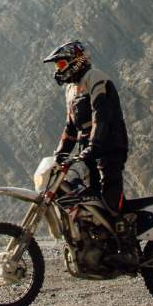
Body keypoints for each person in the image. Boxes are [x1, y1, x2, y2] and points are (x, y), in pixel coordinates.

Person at [44, 40, 129, 213]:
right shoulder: (70, 90)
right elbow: (71, 128)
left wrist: (94, 145)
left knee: (108, 199)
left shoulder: (95, 77)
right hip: (89, 150)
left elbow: (101, 115)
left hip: (109, 147)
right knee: (88, 198)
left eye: (60, 64)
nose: (58, 70)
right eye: (56, 67)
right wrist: (59, 156)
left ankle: (122, 233)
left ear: (76, 60)